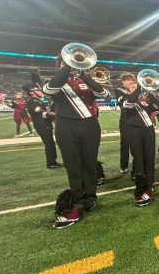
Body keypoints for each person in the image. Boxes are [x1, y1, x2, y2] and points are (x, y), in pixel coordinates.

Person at [42, 58, 110, 216]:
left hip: (90, 126)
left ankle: (91, 197)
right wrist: (65, 69)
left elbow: (104, 94)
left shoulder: (87, 79)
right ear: (61, 66)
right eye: (66, 63)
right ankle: (77, 198)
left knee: (89, 163)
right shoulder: (56, 81)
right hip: (65, 126)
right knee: (72, 165)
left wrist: (84, 75)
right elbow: (49, 90)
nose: (71, 66)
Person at [123, 81, 159, 206]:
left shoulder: (146, 99)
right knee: (139, 158)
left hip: (149, 130)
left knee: (149, 157)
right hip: (134, 130)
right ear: (128, 89)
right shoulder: (124, 98)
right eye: (133, 87)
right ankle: (141, 186)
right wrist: (139, 88)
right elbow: (129, 104)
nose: (136, 88)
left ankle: (150, 184)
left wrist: (151, 95)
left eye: (137, 86)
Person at [23, 83, 61, 168]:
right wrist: (50, 113)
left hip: (44, 124)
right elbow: (39, 112)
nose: (40, 92)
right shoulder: (33, 101)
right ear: (32, 92)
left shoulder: (38, 100)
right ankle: (51, 163)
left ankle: (53, 161)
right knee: (49, 143)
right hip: (42, 124)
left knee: (50, 142)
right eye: (38, 90)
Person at [114, 73, 135, 175]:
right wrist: (133, 91)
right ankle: (124, 165)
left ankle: (136, 165)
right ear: (123, 81)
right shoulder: (118, 90)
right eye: (128, 79)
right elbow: (121, 101)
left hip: (136, 119)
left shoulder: (135, 89)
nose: (130, 81)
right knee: (125, 143)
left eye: (131, 79)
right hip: (125, 120)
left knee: (136, 143)